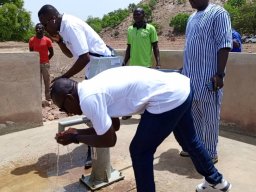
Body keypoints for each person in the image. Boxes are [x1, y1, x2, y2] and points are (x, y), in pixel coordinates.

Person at [51, 66, 231, 192]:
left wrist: (76, 137)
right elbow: (113, 127)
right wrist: (76, 134)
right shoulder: (92, 86)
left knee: (139, 151)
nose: (66, 113)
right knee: (189, 140)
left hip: (167, 97)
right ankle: (217, 181)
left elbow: (109, 140)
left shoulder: (89, 100)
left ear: (69, 98)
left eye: (63, 108)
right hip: (181, 87)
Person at [177, 0, 232, 164]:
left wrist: (220, 74)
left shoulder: (218, 13)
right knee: (193, 116)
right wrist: (184, 68)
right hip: (190, 78)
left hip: (209, 78)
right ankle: (195, 147)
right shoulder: (191, 17)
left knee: (209, 117)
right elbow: (190, 47)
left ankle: (209, 152)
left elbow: (224, 44)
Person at [122, 7, 160, 120]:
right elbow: (129, 47)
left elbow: (155, 47)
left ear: (143, 15)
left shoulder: (150, 29)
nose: (136, 16)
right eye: (134, 14)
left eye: (138, 14)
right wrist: (124, 62)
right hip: (133, 66)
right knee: (131, 90)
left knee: (145, 91)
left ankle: (144, 113)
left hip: (146, 66)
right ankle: (129, 112)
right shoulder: (130, 29)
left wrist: (158, 63)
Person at [29, 23, 54, 101]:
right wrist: (35, 62)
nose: (38, 29)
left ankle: (48, 98)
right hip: (35, 64)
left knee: (47, 81)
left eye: (40, 28)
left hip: (45, 64)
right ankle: (38, 99)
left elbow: (52, 53)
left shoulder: (47, 40)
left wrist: (46, 60)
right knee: (37, 82)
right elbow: (31, 53)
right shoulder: (31, 40)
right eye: (37, 28)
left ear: (43, 30)